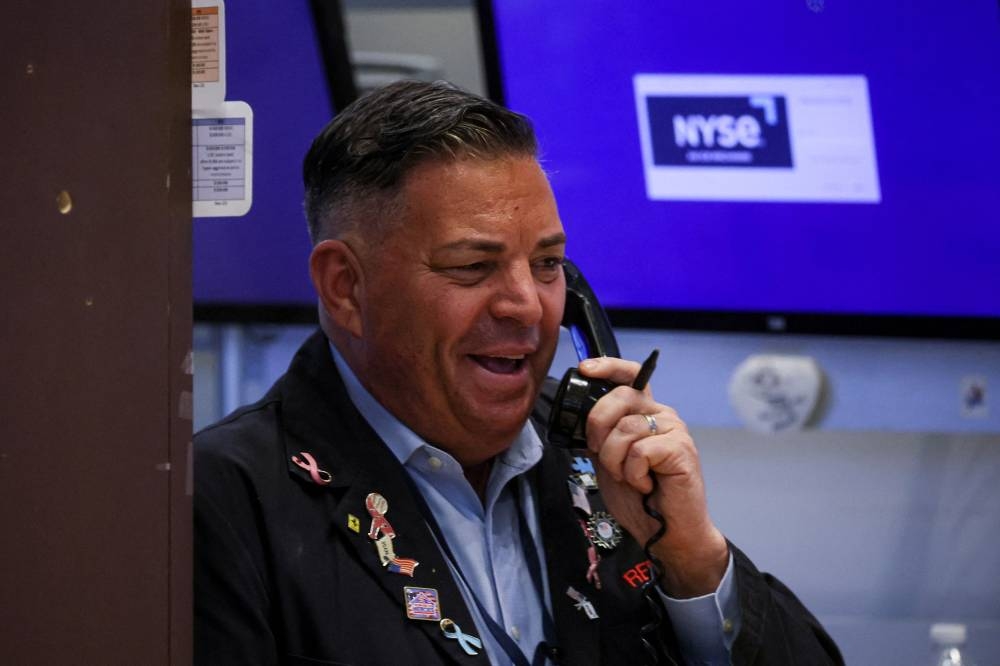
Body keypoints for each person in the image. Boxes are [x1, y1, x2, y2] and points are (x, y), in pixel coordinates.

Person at [194, 80, 843, 665]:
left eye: (548, 265)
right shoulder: (221, 502)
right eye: (472, 267)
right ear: (346, 288)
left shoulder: (606, 465)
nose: (528, 306)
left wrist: (693, 560)